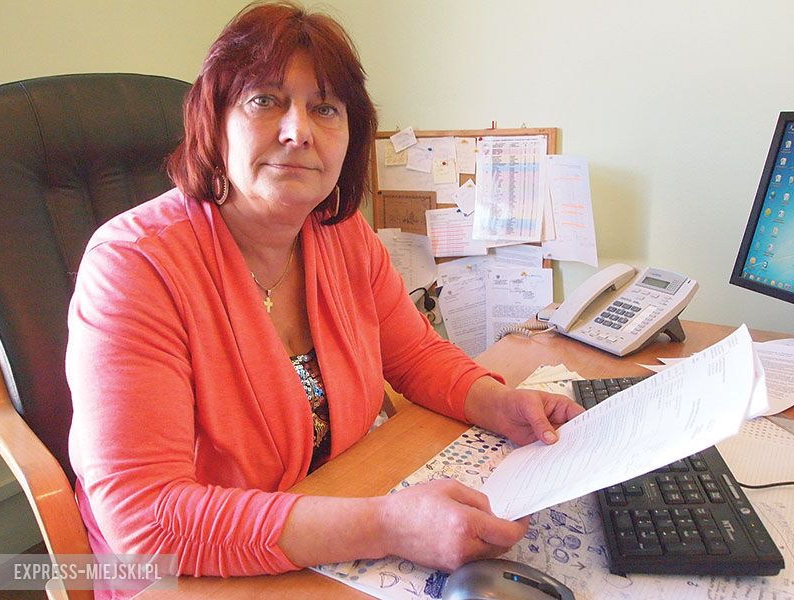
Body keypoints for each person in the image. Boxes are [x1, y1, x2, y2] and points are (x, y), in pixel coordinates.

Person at [66, 0, 584, 584]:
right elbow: (145, 519)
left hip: (332, 520)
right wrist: (387, 525)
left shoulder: (341, 234)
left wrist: (500, 403)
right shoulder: (133, 266)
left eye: (325, 108)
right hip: (190, 573)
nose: (298, 131)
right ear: (214, 121)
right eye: (265, 100)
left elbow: (414, 355)